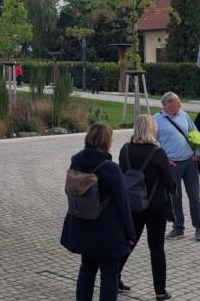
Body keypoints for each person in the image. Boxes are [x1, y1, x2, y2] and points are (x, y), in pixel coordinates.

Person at [61, 122, 136, 301]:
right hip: (107, 231)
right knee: (109, 275)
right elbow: (122, 203)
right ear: (106, 141)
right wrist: (130, 233)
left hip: (82, 224)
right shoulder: (111, 168)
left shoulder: (76, 161)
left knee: (86, 269)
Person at [117, 115, 177, 301]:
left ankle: (113, 276)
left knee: (129, 241)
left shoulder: (125, 149)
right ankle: (160, 292)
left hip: (132, 203)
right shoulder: (158, 152)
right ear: (151, 130)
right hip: (155, 204)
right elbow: (167, 181)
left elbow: (122, 173)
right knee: (156, 248)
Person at [155, 91, 200, 241]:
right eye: (177, 102)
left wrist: (198, 153)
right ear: (167, 104)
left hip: (190, 161)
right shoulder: (156, 119)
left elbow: (195, 134)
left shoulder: (184, 115)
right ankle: (178, 228)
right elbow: (153, 142)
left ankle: (199, 227)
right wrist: (164, 159)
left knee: (194, 196)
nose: (180, 105)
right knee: (175, 196)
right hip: (172, 164)